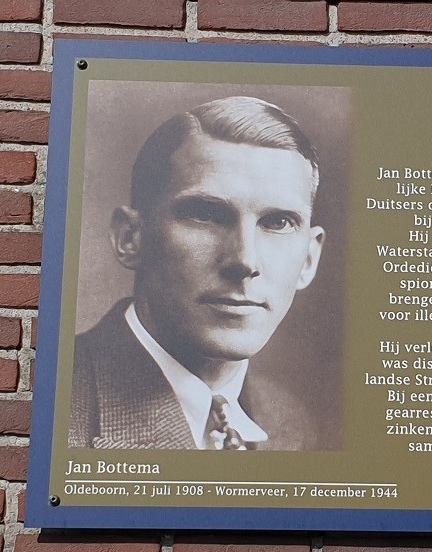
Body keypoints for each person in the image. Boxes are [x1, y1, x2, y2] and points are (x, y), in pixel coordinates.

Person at [69, 96, 325, 451]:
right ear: (130, 238)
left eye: (278, 222)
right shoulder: (60, 408)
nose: (245, 260)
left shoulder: (288, 419)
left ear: (309, 259)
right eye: (205, 214)